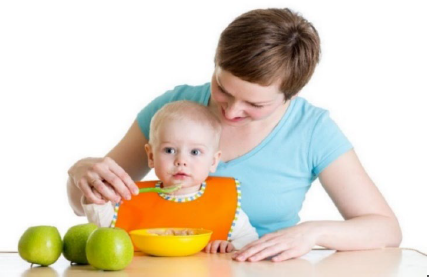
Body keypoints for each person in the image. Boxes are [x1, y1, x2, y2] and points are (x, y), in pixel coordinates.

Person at [67, 8, 402, 262]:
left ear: (291, 96)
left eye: (255, 104)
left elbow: (386, 229)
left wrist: (313, 233)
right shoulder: (173, 108)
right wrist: (81, 173)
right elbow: (84, 205)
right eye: (222, 89)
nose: (230, 111)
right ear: (215, 63)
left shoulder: (312, 130)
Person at [80, 100, 258, 252]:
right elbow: (103, 228)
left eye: (195, 152)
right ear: (151, 156)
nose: (181, 161)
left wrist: (232, 246)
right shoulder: (132, 195)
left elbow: (250, 239)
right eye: (169, 150)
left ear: (213, 161)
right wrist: (95, 197)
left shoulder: (224, 202)